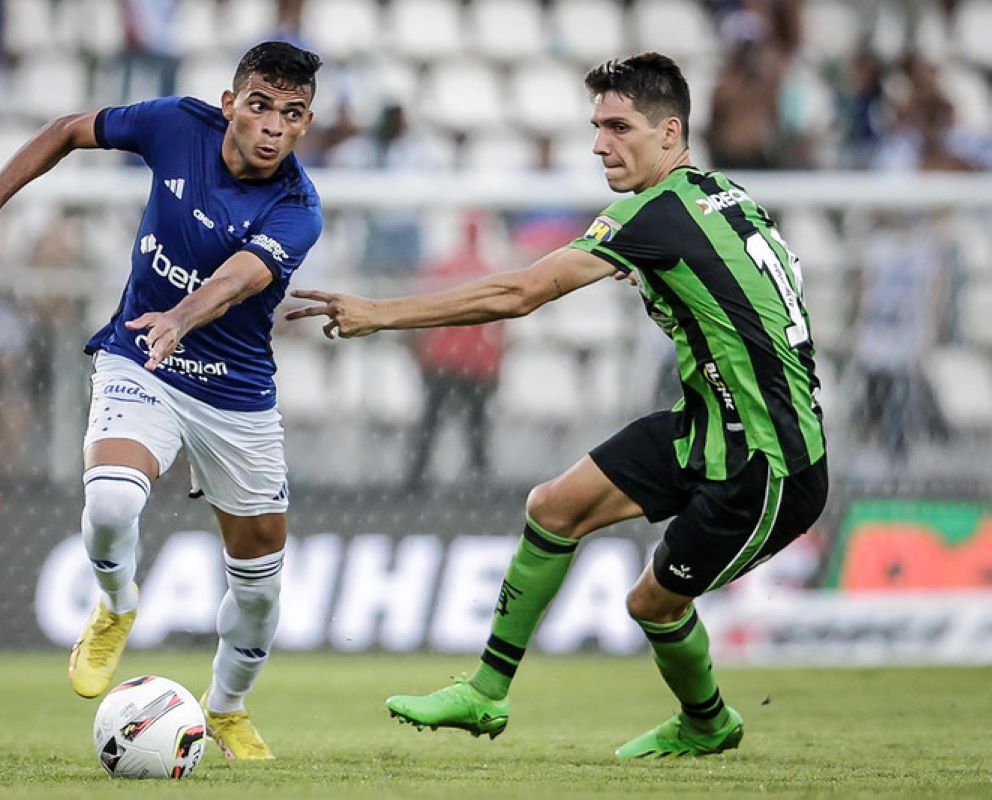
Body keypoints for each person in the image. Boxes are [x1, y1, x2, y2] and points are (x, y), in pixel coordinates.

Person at [288, 52, 828, 759]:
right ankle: (485, 691)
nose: (601, 143)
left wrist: (380, 313)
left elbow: (520, 294)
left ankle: (709, 722)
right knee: (554, 507)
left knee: (651, 604)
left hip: (768, 463)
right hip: (709, 425)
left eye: (619, 126)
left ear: (671, 132)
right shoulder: (724, 194)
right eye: (597, 126)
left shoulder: (655, 215)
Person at [0, 41, 324, 761]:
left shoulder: (298, 207)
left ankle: (228, 708)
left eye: (292, 115)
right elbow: (64, 130)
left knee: (261, 584)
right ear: (231, 102)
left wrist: (182, 315)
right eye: (261, 105)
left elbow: (240, 278)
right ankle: (116, 605)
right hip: (140, 357)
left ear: (304, 126)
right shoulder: (175, 123)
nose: (272, 126)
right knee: (112, 502)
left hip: (236, 396)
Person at [404, 213, 503, 491]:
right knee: (476, 423)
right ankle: (480, 478)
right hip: (476, 361)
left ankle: (416, 478)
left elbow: (419, 310)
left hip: (442, 359)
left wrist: (422, 351)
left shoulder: (443, 268)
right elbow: (501, 326)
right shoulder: (489, 270)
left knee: (431, 420)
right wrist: (495, 363)